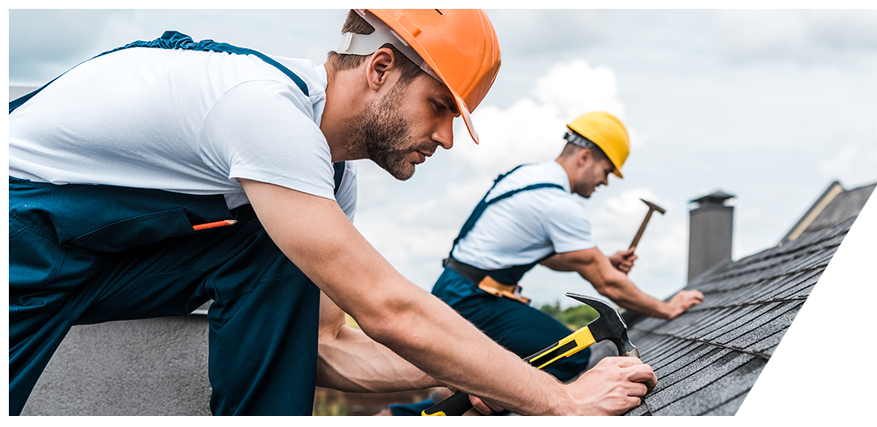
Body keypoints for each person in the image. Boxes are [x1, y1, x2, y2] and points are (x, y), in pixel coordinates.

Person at [8, 9, 657, 416]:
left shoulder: (325, 183)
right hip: (20, 232)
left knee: (272, 247)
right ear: (380, 68)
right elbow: (387, 307)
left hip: (102, 254)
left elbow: (321, 350)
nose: (448, 138)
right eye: (439, 106)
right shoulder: (263, 110)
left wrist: (487, 376)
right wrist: (559, 399)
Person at [387, 111, 705, 416]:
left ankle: (429, 407)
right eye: (607, 171)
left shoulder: (527, 176)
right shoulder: (558, 203)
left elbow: (551, 257)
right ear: (585, 157)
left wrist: (602, 260)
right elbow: (609, 284)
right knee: (570, 355)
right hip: (473, 298)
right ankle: (433, 412)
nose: (605, 182)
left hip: (457, 286)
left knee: (504, 368)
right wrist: (666, 308)